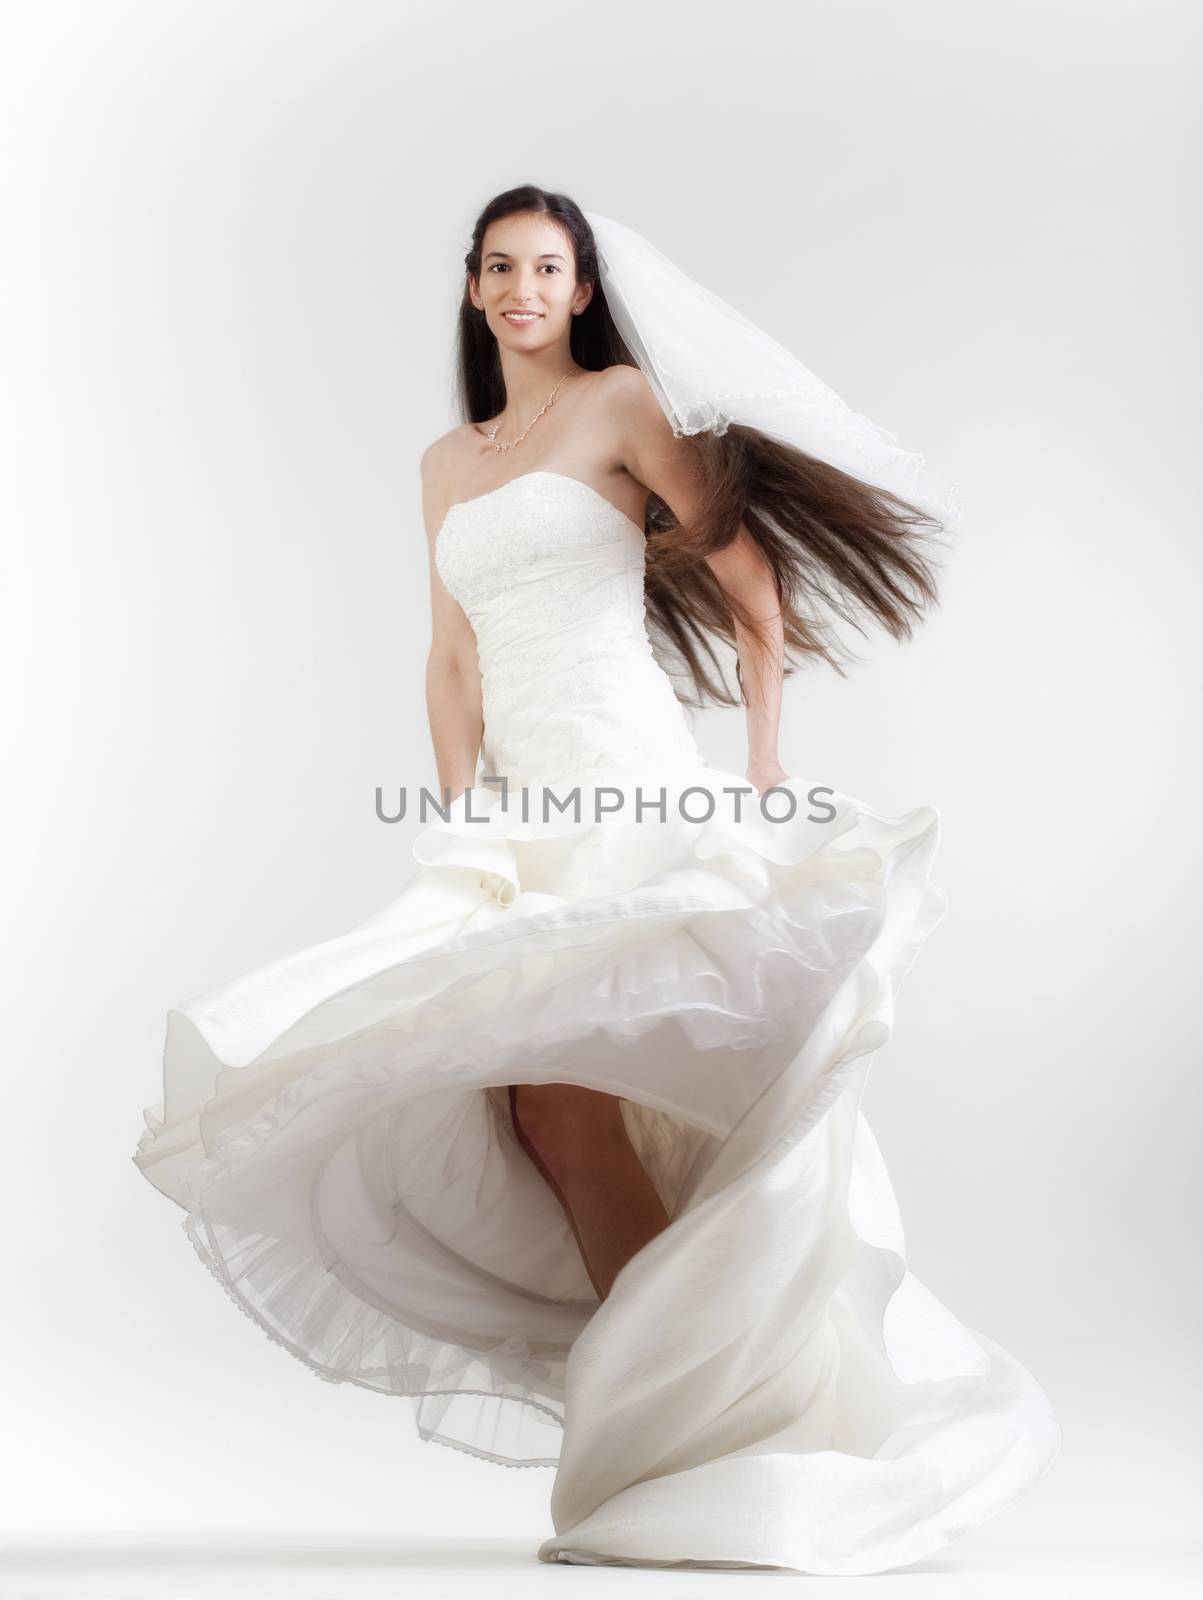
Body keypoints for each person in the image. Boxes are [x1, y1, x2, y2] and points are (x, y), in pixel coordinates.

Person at [133, 184, 1060, 1575]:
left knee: (606, 1102)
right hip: (525, 812)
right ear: (472, 289)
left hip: (630, 781)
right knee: (553, 1124)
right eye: (499, 266)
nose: (521, 288)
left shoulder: (621, 404)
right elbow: (451, 658)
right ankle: (688, 1425)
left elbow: (753, 591)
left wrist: (759, 780)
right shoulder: (447, 464)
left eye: (546, 268)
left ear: (578, 294)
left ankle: (717, 1431)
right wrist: (471, 826)